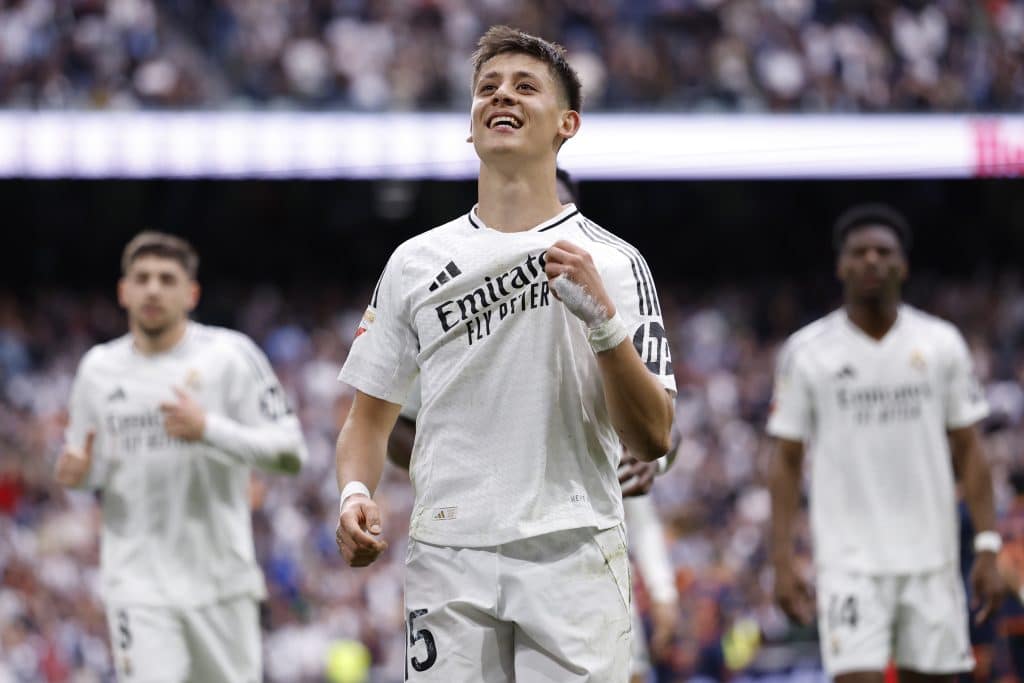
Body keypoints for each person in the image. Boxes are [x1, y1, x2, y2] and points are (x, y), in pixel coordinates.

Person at [334, 25, 676, 680]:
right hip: (448, 554)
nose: (502, 97)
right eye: (487, 87)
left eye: (526, 86)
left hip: (573, 553)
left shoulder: (615, 263)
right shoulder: (414, 263)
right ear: (470, 126)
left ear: (567, 123)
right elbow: (368, 422)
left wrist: (603, 323)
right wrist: (354, 491)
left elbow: (653, 433)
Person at [55, 231, 308, 683]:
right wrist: (75, 475)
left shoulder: (231, 356)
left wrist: (208, 429)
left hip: (222, 585)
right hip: (137, 586)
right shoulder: (97, 370)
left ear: (191, 293)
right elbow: (87, 467)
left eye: (167, 278)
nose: (153, 288)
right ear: (123, 291)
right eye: (143, 278)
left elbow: (290, 452)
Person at [767, 203, 1002, 682]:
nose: (871, 260)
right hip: (847, 562)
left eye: (883, 251)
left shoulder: (941, 344)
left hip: (931, 559)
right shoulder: (807, 351)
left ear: (903, 265)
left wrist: (988, 544)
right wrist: (782, 559)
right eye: (859, 252)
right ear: (841, 266)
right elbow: (786, 461)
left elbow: (971, 451)